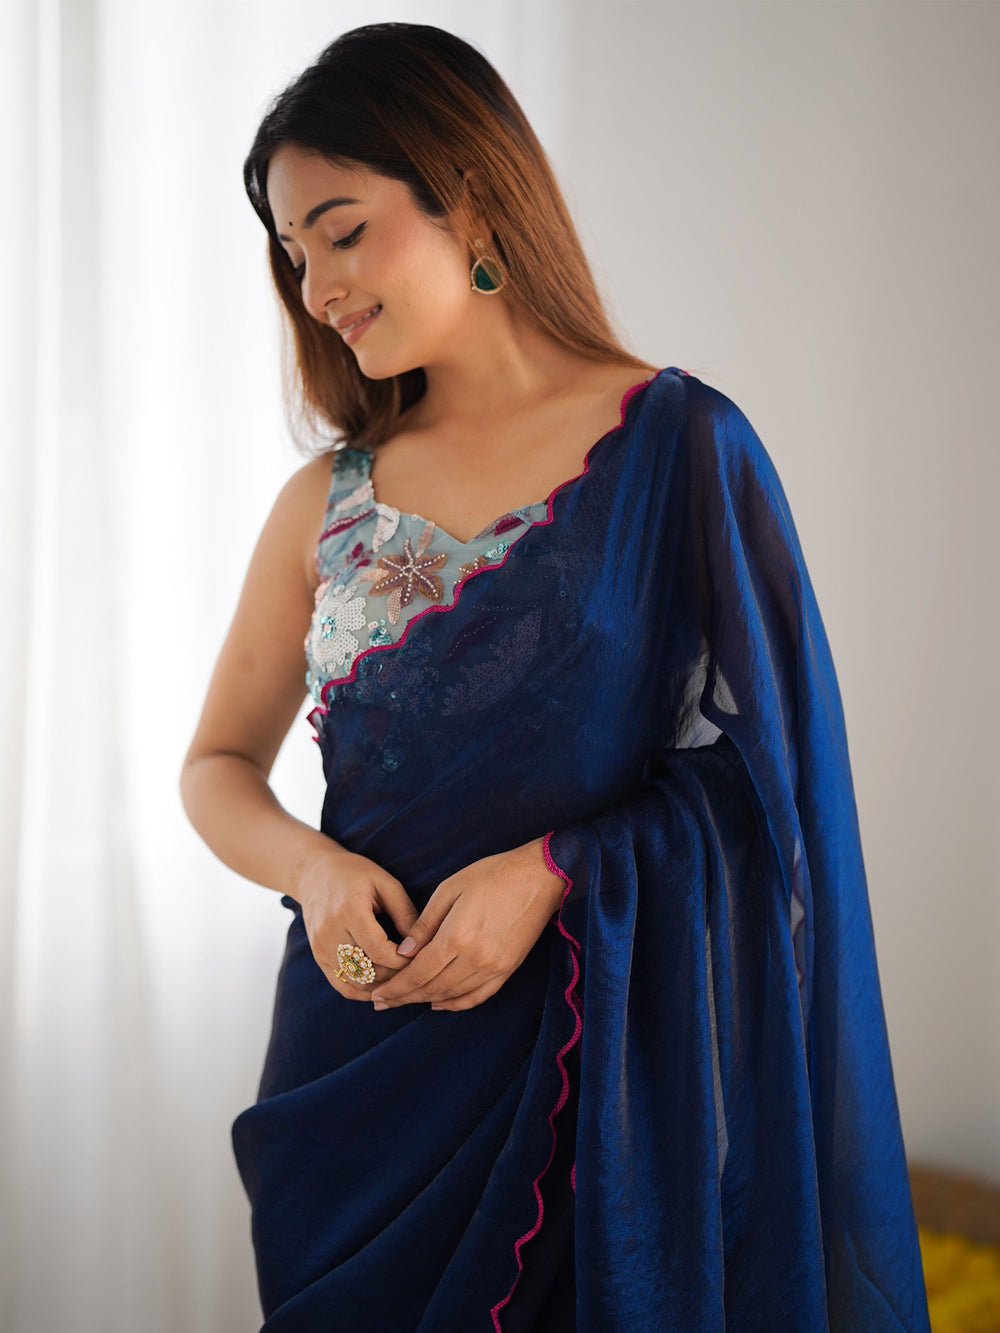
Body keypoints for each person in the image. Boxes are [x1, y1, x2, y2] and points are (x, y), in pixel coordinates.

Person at [179, 20, 931, 1333]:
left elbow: (778, 785)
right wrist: (313, 869)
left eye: (343, 233)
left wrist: (555, 870)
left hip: (592, 1077)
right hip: (352, 1080)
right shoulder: (325, 502)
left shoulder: (681, 448)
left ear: (469, 195)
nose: (318, 287)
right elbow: (216, 765)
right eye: (295, 256)